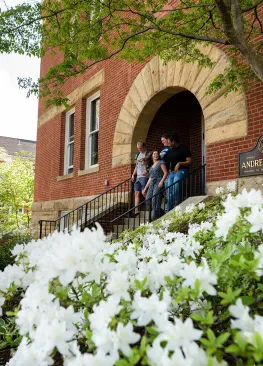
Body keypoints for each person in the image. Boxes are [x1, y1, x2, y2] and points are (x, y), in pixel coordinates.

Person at [163, 132, 192, 209]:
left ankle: (178, 203)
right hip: (172, 173)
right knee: (169, 190)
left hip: (183, 170)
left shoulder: (184, 149)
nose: (168, 145)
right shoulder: (170, 151)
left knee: (176, 180)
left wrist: (180, 163)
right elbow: (165, 162)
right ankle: (169, 210)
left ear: (173, 142)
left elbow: (189, 161)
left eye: (169, 143)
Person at [142, 151, 168, 221]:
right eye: (154, 154)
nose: (156, 155)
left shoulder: (161, 162)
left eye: (157, 154)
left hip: (158, 182)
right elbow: (150, 178)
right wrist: (145, 188)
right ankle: (161, 212)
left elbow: (165, 173)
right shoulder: (151, 166)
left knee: (155, 200)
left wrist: (162, 182)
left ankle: (154, 218)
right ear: (152, 156)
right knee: (148, 199)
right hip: (152, 184)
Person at [131, 141, 151, 216]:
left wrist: (146, 170)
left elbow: (150, 165)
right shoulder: (137, 155)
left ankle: (150, 206)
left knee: (144, 192)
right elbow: (136, 166)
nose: (139, 149)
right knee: (136, 193)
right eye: (138, 148)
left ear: (144, 146)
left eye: (140, 148)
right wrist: (133, 175)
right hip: (138, 176)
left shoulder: (148, 154)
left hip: (144, 176)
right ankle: (136, 211)